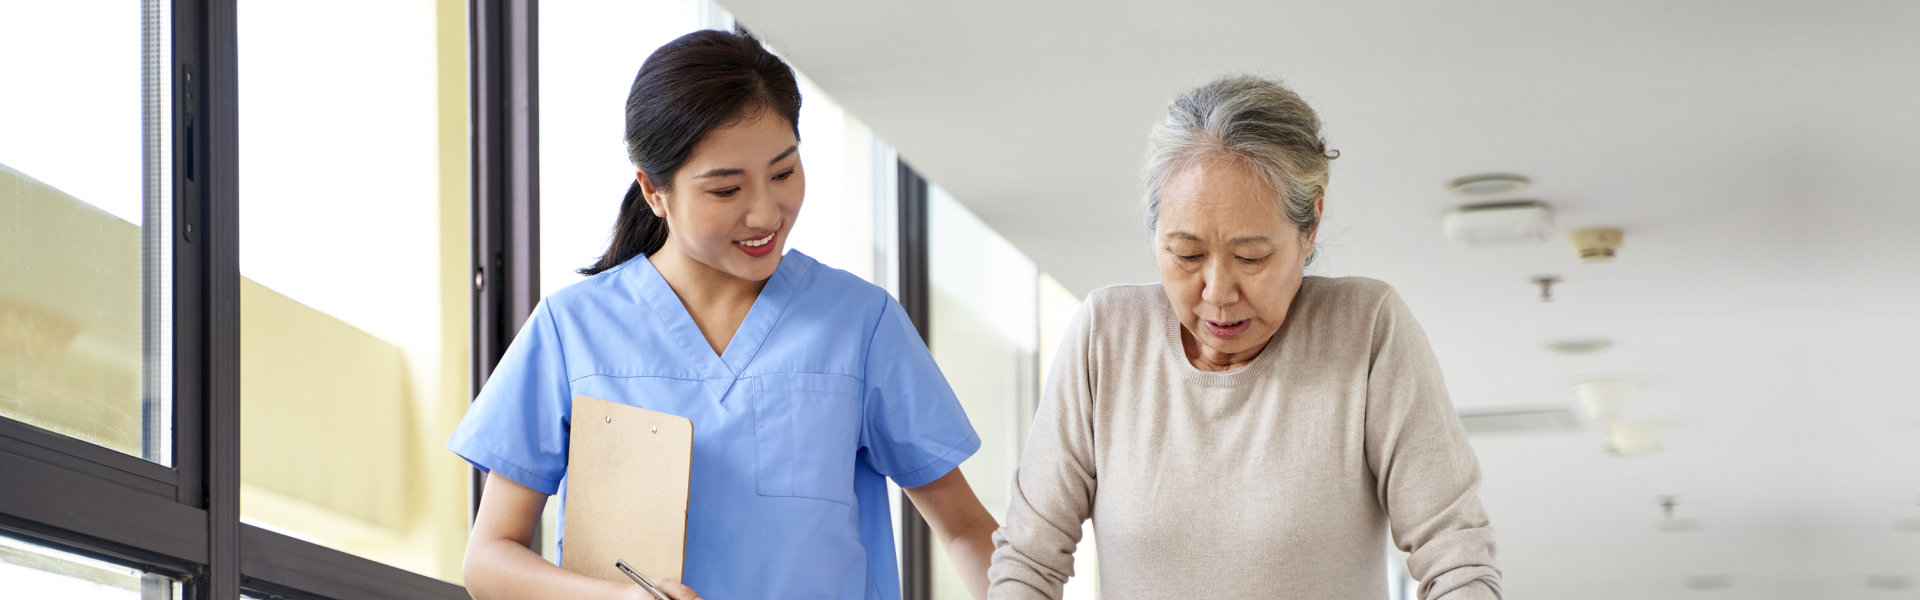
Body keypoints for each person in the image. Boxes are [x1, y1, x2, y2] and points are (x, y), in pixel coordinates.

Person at [450, 29, 998, 600]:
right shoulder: (573, 330)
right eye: (726, 190)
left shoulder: (861, 323)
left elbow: (964, 529)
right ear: (654, 192)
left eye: (783, 173)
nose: (765, 212)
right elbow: (488, 558)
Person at [987, 75, 1503, 599]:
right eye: (1186, 255)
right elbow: (1027, 562)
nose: (1217, 292)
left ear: (1310, 228)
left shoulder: (1366, 329)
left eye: (1252, 257)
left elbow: (1457, 560)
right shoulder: (1107, 334)